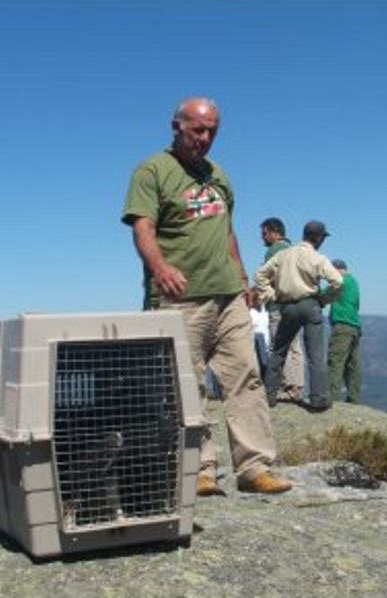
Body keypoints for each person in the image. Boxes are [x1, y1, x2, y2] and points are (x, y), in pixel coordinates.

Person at [121, 97, 291, 496]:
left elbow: (226, 230)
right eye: (198, 129)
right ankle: (199, 469)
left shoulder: (219, 176)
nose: (206, 137)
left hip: (228, 295)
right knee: (187, 386)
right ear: (176, 125)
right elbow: (142, 228)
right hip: (180, 298)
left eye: (213, 130)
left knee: (246, 377)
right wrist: (161, 268)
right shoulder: (153, 171)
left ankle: (254, 467)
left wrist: (243, 276)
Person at [255, 220, 343, 412]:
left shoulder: (284, 254)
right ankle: (318, 399)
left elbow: (260, 275)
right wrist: (324, 300)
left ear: (304, 234)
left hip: (286, 306)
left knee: (279, 351)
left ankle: (269, 395)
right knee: (315, 354)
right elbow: (338, 282)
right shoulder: (317, 257)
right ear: (319, 238)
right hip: (310, 305)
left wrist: (271, 296)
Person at [259, 217, 305, 403]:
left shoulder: (275, 250)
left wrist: (265, 293)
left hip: (278, 305)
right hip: (295, 305)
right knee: (294, 345)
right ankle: (297, 386)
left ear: (275, 233)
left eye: (265, 234)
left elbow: (268, 276)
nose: (262, 238)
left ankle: (287, 387)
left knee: (279, 346)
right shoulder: (295, 250)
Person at [327, 259, 362, 403]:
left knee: (336, 362)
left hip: (342, 326)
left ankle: (332, 399)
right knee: (353, 364)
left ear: (337, 270)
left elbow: (324, 294)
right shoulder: (353, 282)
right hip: (355, 326)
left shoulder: (340, 281)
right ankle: (354, 398)